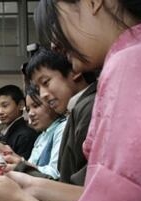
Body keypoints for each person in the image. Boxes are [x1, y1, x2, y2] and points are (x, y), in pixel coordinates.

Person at [0, 0, 141, 201]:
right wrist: (25, 183)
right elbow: (100, 197)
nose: (54, 45)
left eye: (56, 22)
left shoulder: (132, 64)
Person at [25, 46, 97, 185]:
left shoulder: (89, 108)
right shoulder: (75, 110)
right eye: (39, 88)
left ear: (75, 70)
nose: (42, 95)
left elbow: (79, 189)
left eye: (46, 82)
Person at [5, 85, 67, 180]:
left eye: (36, 106)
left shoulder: (62, 128)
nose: (31, 113)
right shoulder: (41, 136)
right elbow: (31, 166)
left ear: (52, 103)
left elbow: (55, 173)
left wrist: (21, 164)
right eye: (28, 109)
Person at [0, 85, 38, 160]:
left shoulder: (25, 135)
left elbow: (23, 168)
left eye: (5, 106)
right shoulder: (12, 131)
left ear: (21, 105)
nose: (0, 112)